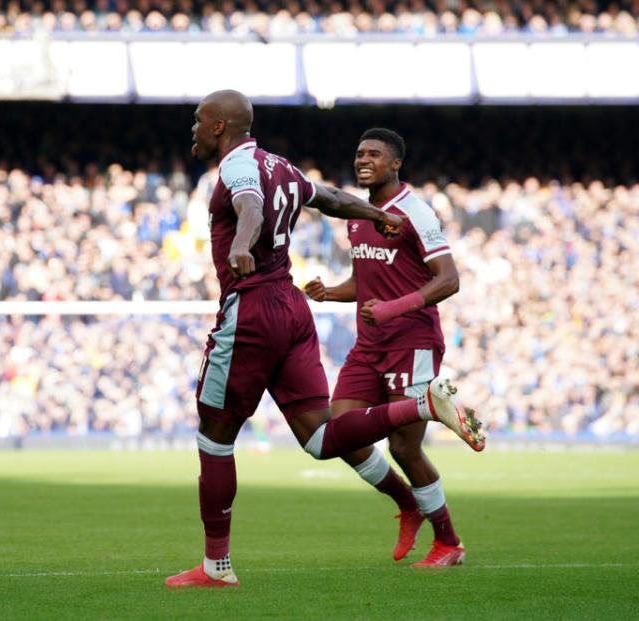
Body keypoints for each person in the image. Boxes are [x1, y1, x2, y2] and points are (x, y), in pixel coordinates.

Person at [165, 91, 484, 589]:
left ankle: (216, 567)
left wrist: (245, 244)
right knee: (323, 438)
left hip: (255, 309)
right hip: (293, 307)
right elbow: (331, 200)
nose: (192, 128)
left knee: (213, 435)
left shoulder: (236, 169)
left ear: (219, 126)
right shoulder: (283, 167)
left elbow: (248, 205)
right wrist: (374, 220)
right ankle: (414, 445)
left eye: (198, 120)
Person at [304, 128, 473, 567]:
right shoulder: (357, 214)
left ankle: (449, 543)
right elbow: (366, 282)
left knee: (404, 448)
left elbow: (449, 279)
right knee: (339, 433)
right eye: (359, 153)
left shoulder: (415, 211)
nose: (364, 160)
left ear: (395, 163)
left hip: (412, 340)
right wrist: (331, 293)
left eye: (374, 155)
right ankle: (407, 503)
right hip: (371, 343)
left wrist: (394, 308)